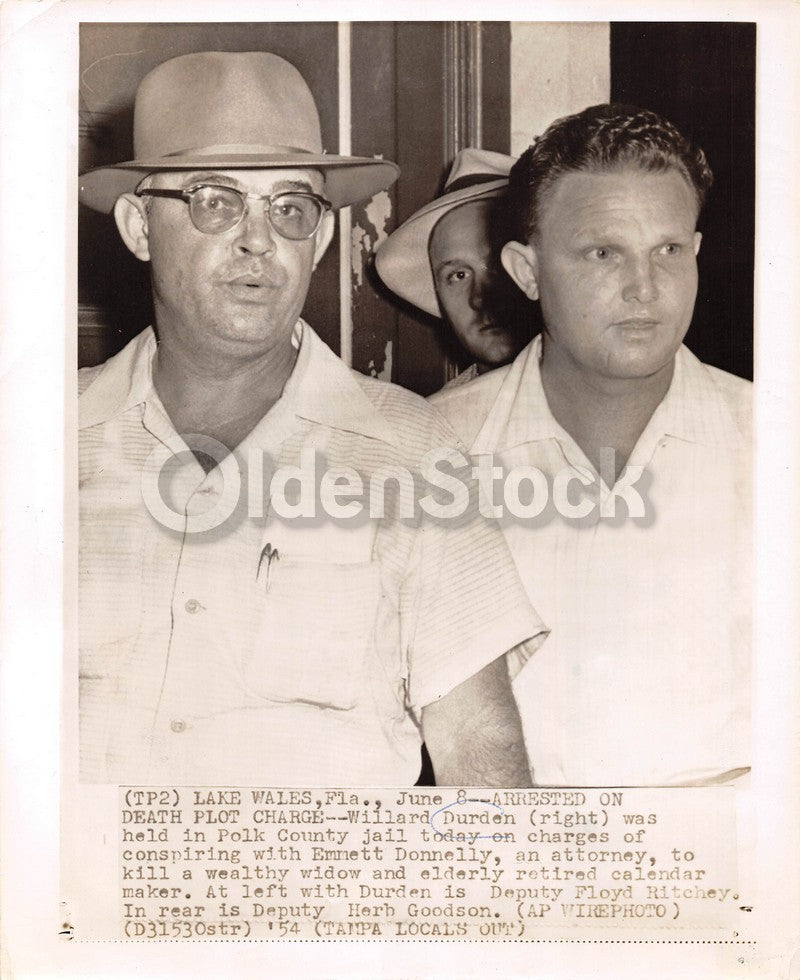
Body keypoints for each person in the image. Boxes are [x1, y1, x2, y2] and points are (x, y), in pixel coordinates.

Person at [77, 51, 546, 787]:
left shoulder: (416, 454)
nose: (258, 239)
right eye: (215, 200)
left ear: (321, 239)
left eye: (290, 208)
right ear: (139, 227)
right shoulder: (38, 440)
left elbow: (486, 766)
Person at [431, 104, 751, 787]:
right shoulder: (437, 452)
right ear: (526, 271)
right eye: (603, 253)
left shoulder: (772, 442)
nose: (645, 288)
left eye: (667, 250)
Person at [376, 148, 537, 389]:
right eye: (458, 275)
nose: (479, 298)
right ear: (438, 294)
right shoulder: (435, 420)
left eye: (498, 265)